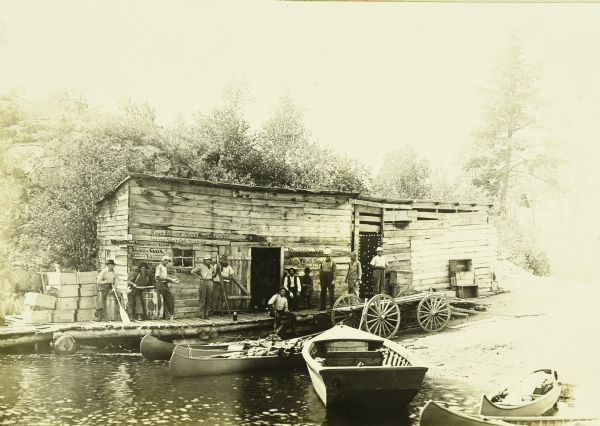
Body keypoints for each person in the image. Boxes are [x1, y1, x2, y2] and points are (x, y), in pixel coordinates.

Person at [191, 255, 215, 319]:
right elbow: (192, 271)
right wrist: (199, 277)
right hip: (203, 282)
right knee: (203, 299)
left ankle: (206, 314)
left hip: (210, 282)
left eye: (209, 260)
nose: (208, 261)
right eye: (207, 260)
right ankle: (201, 314)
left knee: (208, 299)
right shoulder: (201, 266)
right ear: (204, 260)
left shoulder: (212, 267)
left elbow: (214, 272)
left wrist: (211, 276)